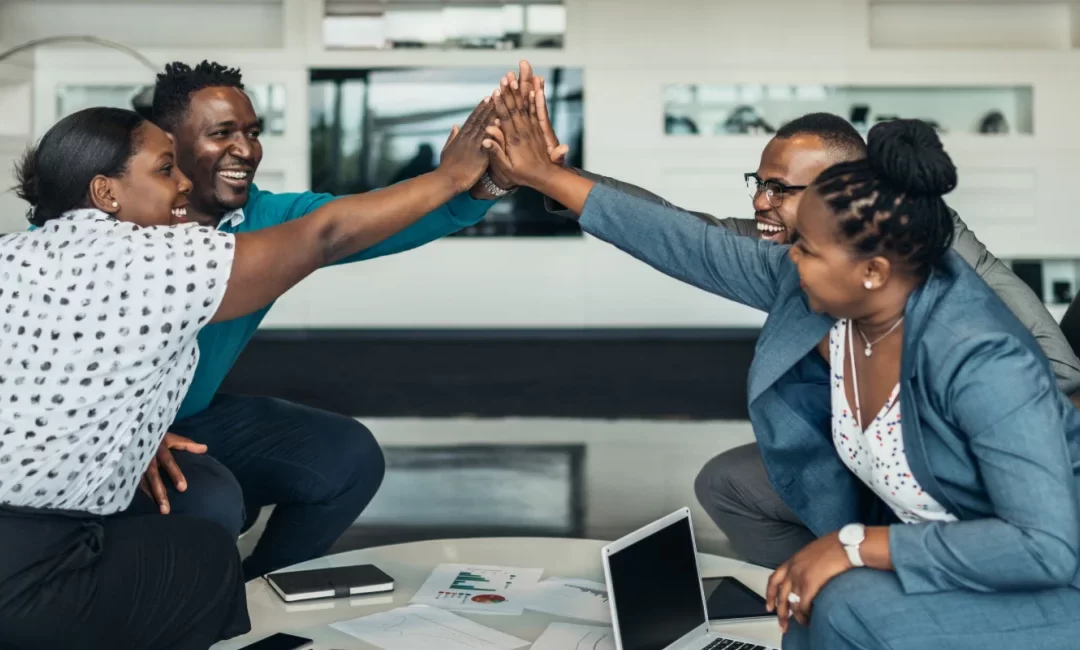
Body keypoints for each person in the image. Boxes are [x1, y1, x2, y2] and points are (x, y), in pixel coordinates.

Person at [483, 88, 1080, 649]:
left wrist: (854, 548)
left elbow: (1046, 542)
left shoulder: (975, 349)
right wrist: (548, 175)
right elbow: (689, 240)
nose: (786, 261)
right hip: (930, 513)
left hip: (1045, 565)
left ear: (868, 263)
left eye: (806, 249)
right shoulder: (825, 271)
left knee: (843, 601)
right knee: (809, 589)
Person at [0, 102, 493, 649]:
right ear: (106, 193)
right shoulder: (158, 255)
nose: (183, 182)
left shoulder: (12, 254)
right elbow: (325, 236)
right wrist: (451, 176)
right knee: (203, 565)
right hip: (36, 561)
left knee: (232, 508)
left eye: (252, 132)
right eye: (166, 169)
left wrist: (129, 429)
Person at [128, 61, 512, 580]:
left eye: (252, 133)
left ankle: (264, 592)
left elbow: (365, 224)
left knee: (347, 456)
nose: (246, 150)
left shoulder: (269, 218)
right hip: (103, 426)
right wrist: (124, 433)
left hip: (191, 417)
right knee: (210, 507)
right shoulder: (114, 219)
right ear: (169, 142)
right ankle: (193, 609)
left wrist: (485, 186)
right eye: (222, 134)